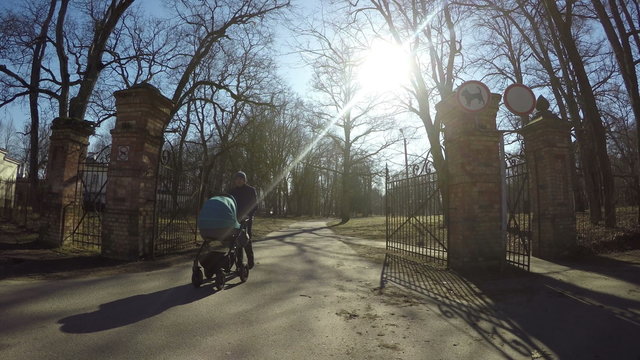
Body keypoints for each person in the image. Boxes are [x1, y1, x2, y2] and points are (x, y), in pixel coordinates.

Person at [228, 171, 257, 269]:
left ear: (244, 180)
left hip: (247, 219)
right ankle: (239, 263)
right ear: (235, 181)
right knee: (237, 240)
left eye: (241, 179)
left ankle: (250, 261)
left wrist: (249, 215)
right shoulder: (232, 191)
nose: (239, 180)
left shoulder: (251, 190)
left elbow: (254, 205)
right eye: (237, 179)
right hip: (235, 219)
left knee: (246, 239)